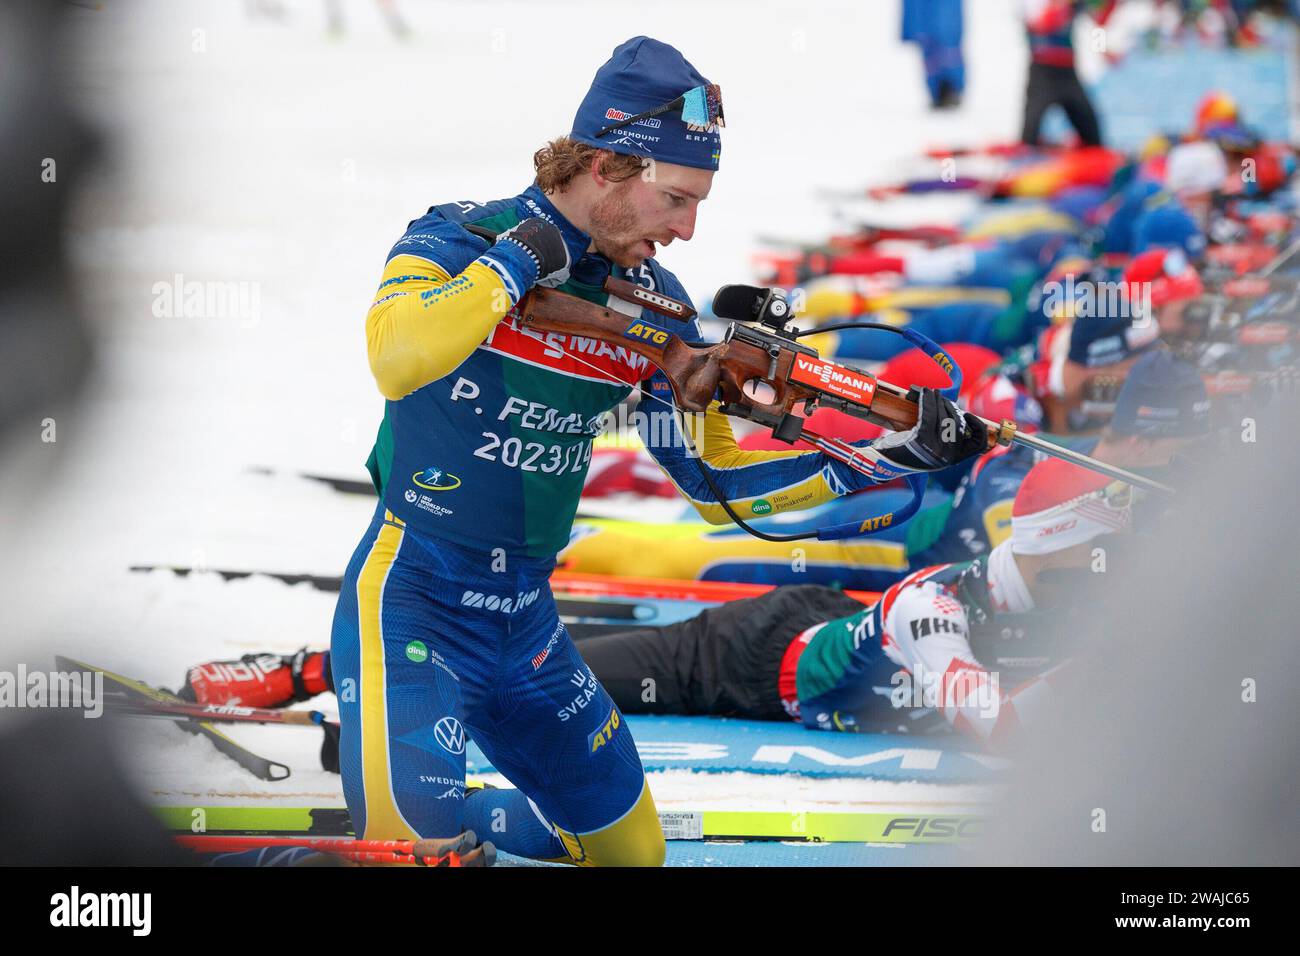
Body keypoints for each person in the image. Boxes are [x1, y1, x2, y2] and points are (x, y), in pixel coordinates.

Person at [329, 36, 987, 866]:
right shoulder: (459, 239)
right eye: (676, 197)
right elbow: (397, 356)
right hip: (413, 598)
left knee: (633, 857)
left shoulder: (658, 309)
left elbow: (715, 485)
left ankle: (470, 827)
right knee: (420, 860)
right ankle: (441, 833)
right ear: (605, 165)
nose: (686, 228)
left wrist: (880, 453)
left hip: (527, 624)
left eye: (698, 202)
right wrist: (522, 257)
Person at [1020, 1, 1116, 147]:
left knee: (1093, 136)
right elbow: (1043, 23)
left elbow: (1099, 22)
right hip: (1042, 73)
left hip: (1068, 73)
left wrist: (1103, 49)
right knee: (1029, 136)